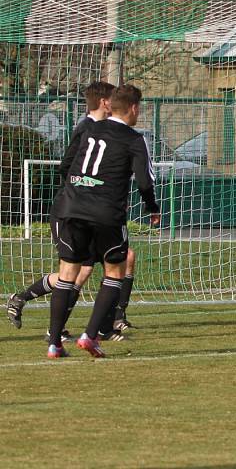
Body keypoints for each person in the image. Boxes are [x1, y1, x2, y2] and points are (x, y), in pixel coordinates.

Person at [6, 82, 136, 341]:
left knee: (122, 259)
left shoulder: (105, 130)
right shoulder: (87, 129)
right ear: (105, 103)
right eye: (113, 100)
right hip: (75, 210)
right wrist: (85, 194)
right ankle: (50, 324)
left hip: (93, 210)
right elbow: (67, 166)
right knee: (78, 270)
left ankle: (110, 321)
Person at [45, 84, 160, 358]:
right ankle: (90, 335)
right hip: (106, 212)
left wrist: (78, 190)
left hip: (71, 208)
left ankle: (54, 344)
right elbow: (145, 181)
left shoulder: (88, 128)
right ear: (133, 108)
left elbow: (65, 165)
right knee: (114, 271)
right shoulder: (134, 139)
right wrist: (152, 208)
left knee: (67, 273)